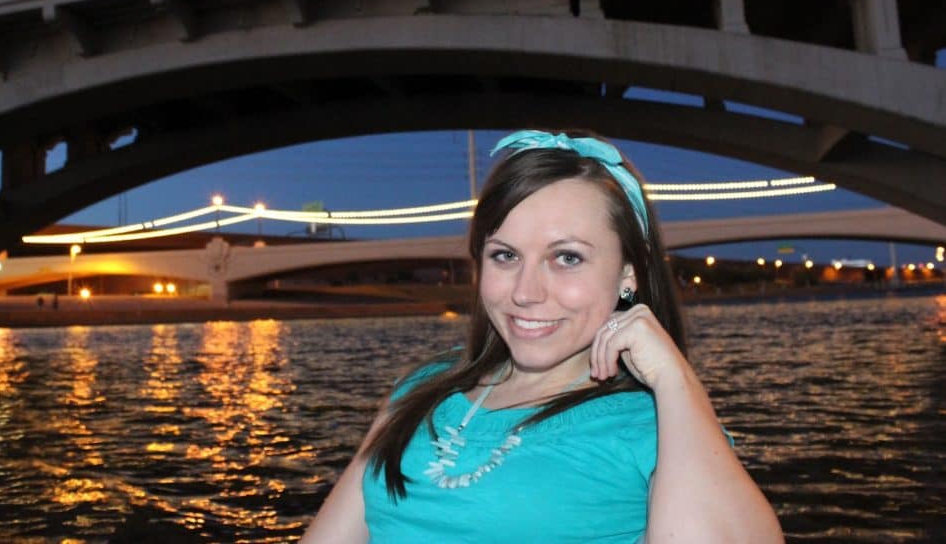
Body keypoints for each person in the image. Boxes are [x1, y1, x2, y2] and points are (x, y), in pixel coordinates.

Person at [302, 129, 783, 543]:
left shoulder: (659, 425)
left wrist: (675, 381)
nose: (526, 293)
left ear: (627, 275)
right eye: (505, 256)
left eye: (567, 257)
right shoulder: (421, 390)